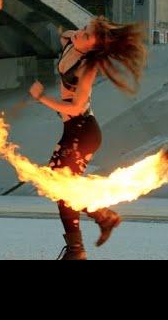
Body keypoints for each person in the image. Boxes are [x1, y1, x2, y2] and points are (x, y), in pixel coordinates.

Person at [28, 16, 147, 260]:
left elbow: (75, 107)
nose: (81, 33)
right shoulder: (73, 41)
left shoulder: (87, 69)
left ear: (94, 47)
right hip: (72, 131)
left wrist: (41, 98)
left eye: (87, 34)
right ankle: (102, 218)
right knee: (60, 186)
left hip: (83, 132)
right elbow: (66, 36)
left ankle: (77, 250)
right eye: (84, 29)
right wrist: (74, 33)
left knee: (61, 188)